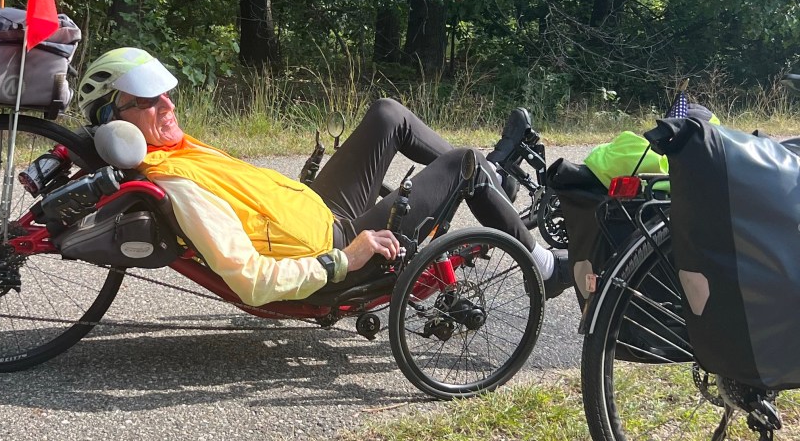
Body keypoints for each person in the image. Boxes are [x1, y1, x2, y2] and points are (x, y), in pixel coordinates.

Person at [77, 48, 570, 308]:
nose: (169, 104)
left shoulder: (173, 148)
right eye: (150, 100)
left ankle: (490, 175)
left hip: (317, 207)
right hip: (337, 242)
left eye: (167, 93)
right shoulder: (175, 183)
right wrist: (344, 259)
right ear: (117, 122)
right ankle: (544, 267)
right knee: (462, 163)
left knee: (387, 114)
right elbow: (252, 281)